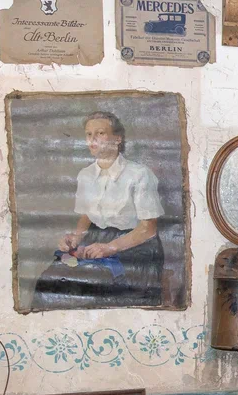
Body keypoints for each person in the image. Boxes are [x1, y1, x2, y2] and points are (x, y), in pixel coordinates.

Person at [34, 111, 164, 308]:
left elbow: (149, 228)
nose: (92, 139)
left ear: (117, 138)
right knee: (49, 280)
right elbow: (86, 215)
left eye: (100, 133)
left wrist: (110, 247)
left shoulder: (139, 174)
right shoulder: (85, 175)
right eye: (88, 134)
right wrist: (76, 237)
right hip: (96, 240)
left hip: (133, 246)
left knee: (93, 285)